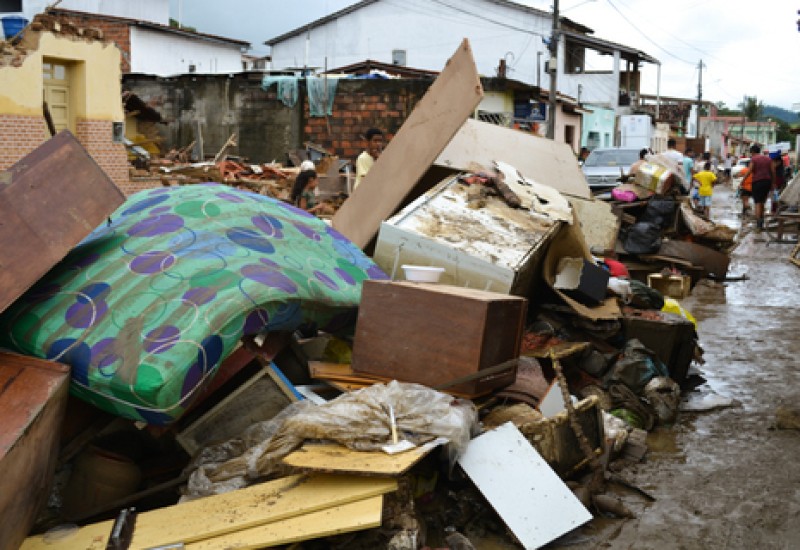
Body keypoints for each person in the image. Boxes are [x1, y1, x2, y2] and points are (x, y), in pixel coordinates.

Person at [738, 144, 775, 232]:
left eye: (751, 153)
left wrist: (742, 181)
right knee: (762, 202)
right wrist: (773, 183)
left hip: (757, 182)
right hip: (767, 182)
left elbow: (749, 171)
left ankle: (759, 225)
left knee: (757, 203)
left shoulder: (754, 159)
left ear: (753, 152)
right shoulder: (768, 159)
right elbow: (773, 171)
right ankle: (761, 221)